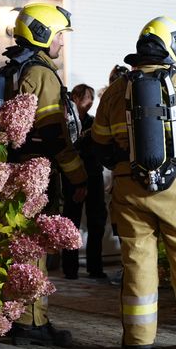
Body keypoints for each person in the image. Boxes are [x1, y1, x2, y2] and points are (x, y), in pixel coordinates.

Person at [91, 16, 176, 349]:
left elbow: (99, 144)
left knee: (136, 262)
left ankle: (138, 341)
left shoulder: (117, 90)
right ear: (175, 47)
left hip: (128, 185)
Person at [1, 2, 88, 347]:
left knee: (20, 246)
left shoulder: (14, 69)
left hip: (13, 171)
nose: (62, 43)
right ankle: (32, 322)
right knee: (36, 248)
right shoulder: (43, 74)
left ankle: (20, 318)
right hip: (38, 176)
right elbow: (54, 136)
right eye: (59, 35)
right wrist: (78, 176)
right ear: (43, 34)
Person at [61, 84, 108, 280]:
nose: (91, 102)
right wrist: (80, 183)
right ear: (76, 98)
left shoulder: (92, 123)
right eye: (88, 98)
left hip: (94, 177)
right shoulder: (67, 123)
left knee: (97, 222)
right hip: (73, 178)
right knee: (71, 222)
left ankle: (95, 267)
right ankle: (70, 269)